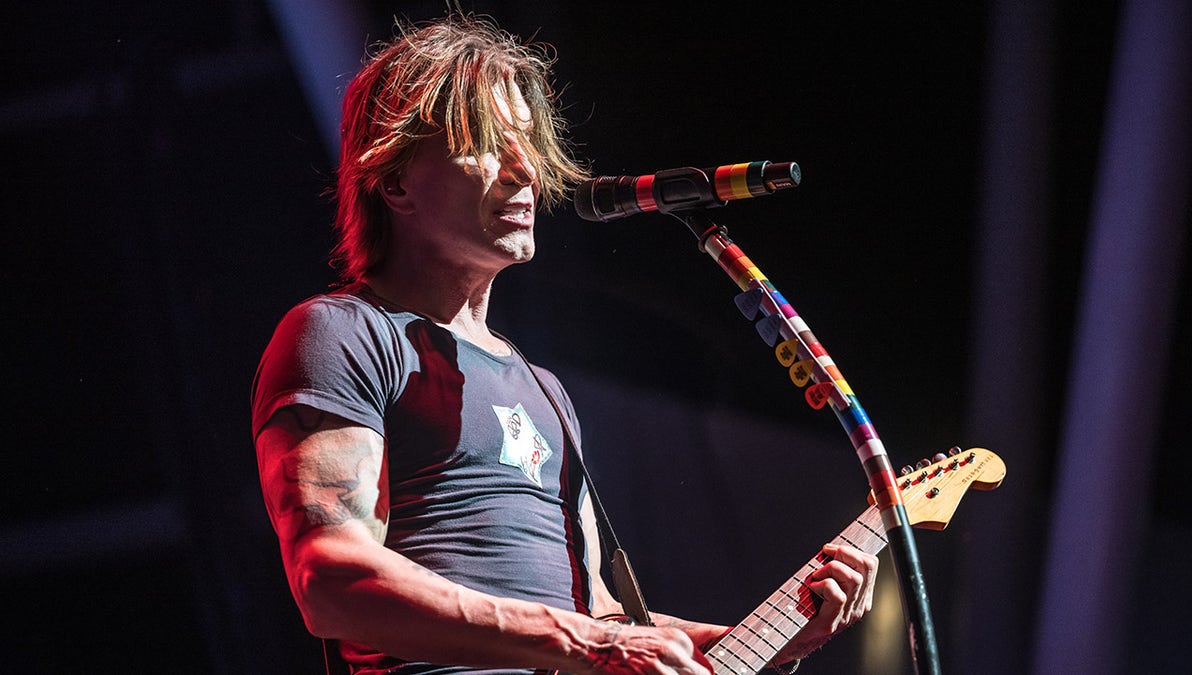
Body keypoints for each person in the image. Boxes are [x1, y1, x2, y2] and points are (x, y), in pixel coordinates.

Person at [252, 14, 877, 675]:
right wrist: (593, 642)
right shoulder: (342, 334)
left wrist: (774, 636)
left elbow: (599, 615)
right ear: (396, 177)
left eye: (528, 140)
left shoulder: (543, 389)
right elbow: (331, 579)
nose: (526, 169)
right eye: (488, 142)